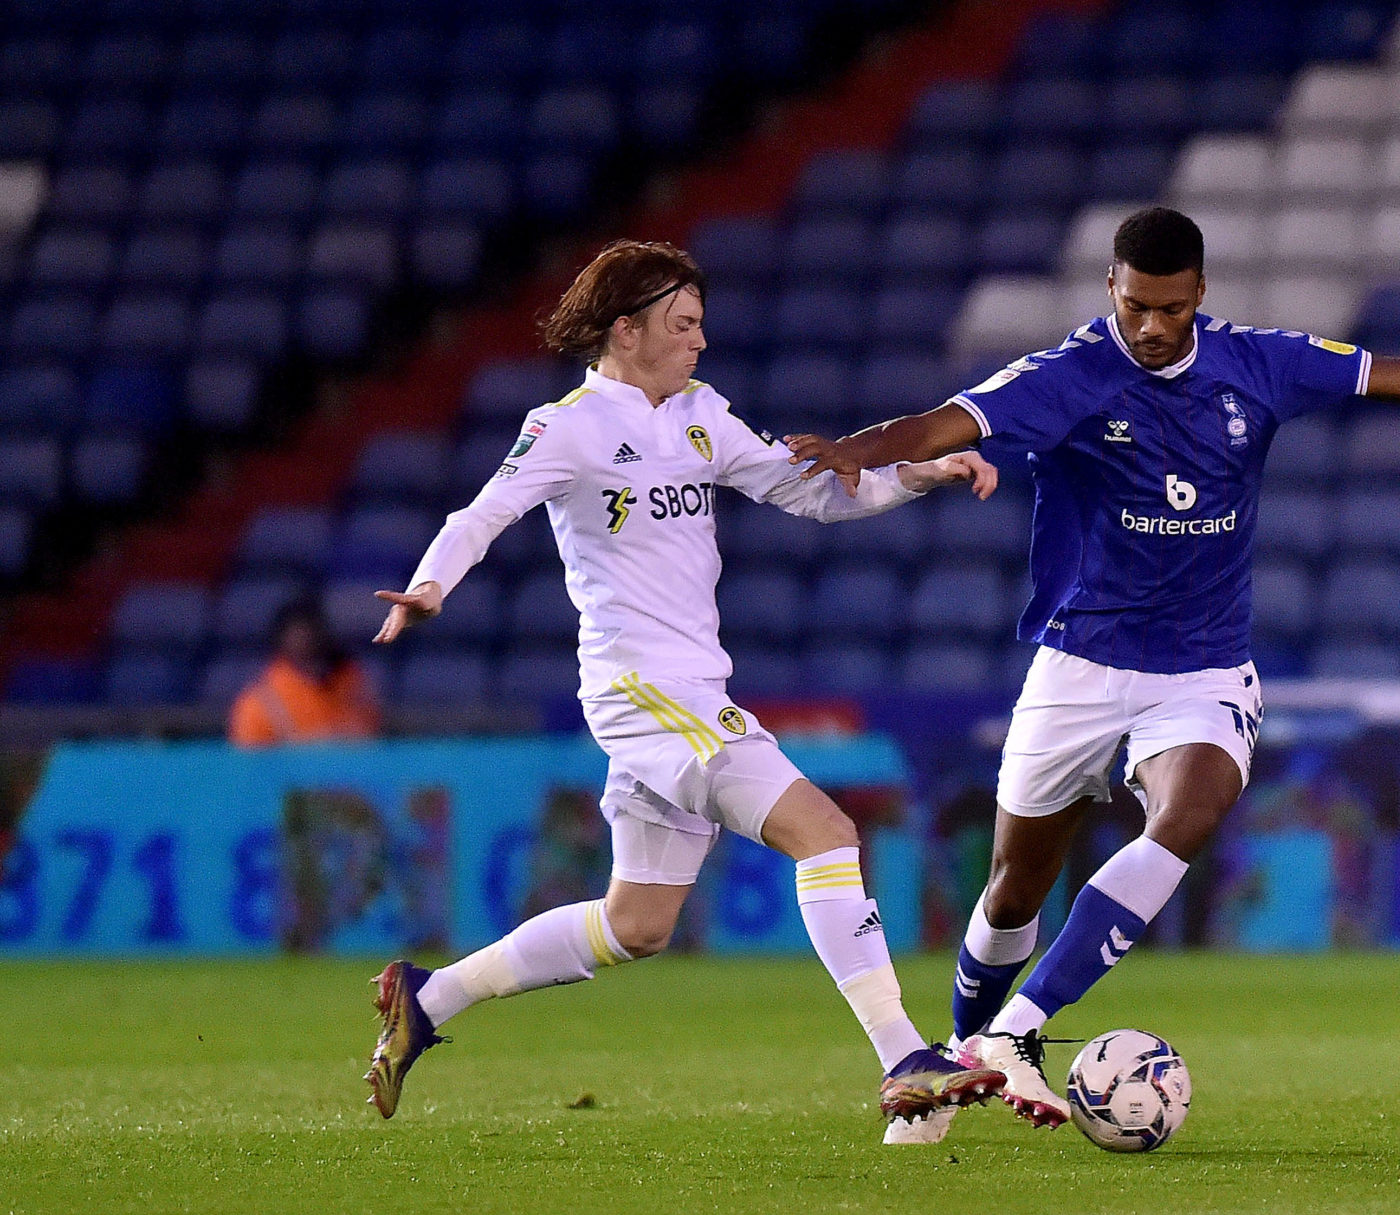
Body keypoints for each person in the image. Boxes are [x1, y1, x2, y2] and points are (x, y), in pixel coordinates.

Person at [786, 206, 1400, 1141]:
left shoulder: (1261, 363)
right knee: (1014, 885)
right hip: (1079, 662)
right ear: (1110, 293)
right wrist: (857, 451)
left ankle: (1022, 1031)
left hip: (1202, 667)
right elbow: (944, 422)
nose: (1150, 327)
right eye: (1133, 308)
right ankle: (963, 1058)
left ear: (1200, 292)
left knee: (1188, 815)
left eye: (1167, 308)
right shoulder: (1068, 374)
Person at [362, 239, 1006, 1132]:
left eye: (701, 323)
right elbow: (481, 515)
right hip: (645, 692)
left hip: (687, 690)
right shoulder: (570, 427)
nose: (700, 341)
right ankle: (903, 1056)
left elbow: (811, 491)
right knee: (826, 833)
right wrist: (432, 586)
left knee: (638, 924)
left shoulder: (703, 415)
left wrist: (922, 474)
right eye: (683, 324)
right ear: (626, 330)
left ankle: (431, 998)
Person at [229, 598, 380, 747]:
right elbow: (249, 766)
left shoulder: (352, 684)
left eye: (314, 632)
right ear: (282, 640)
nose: (308, 641)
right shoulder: (258, 703)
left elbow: (372, 743)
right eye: (299, 635)